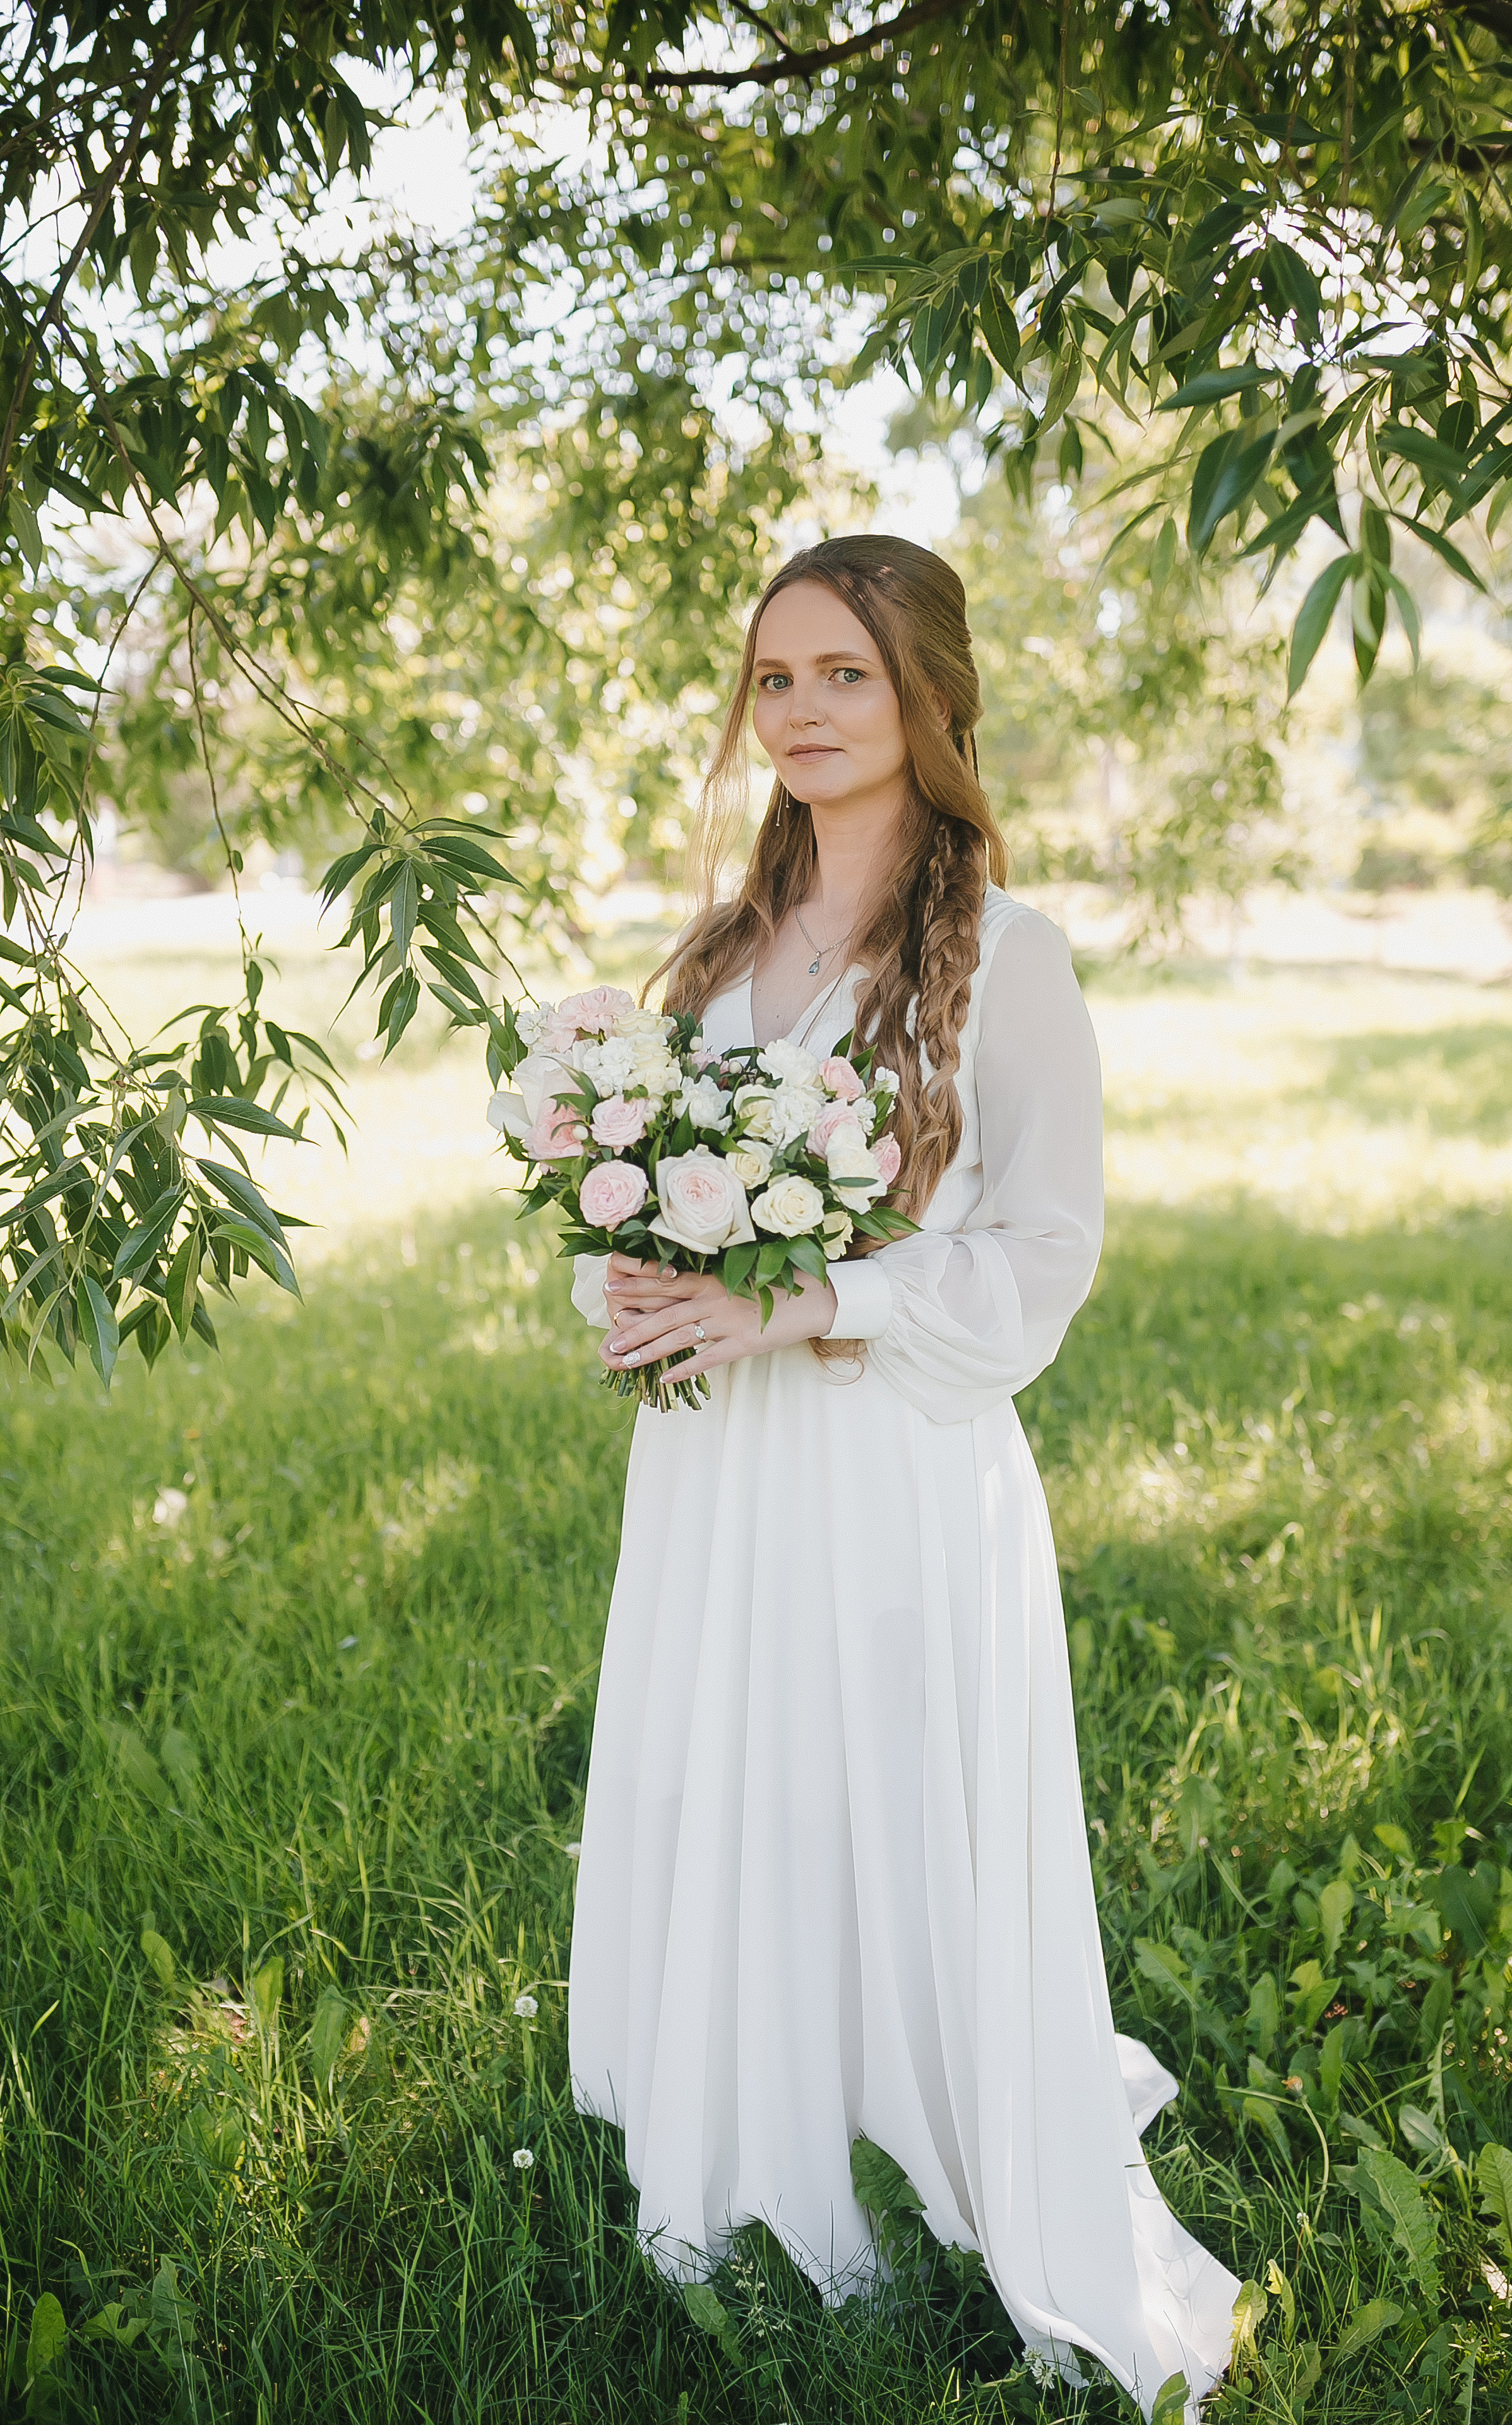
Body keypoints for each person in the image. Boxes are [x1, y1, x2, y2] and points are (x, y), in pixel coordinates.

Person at [566, 534, 1239, 2414]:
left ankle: (917, 2098)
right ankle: (748, 2095)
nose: (801, 710)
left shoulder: (1009, 961)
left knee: (879, 1782)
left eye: (844, 674)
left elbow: (1044, 1256)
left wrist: (802, 1305)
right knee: (744, 1772)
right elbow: (658, 1188)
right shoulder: (720, 951)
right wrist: (635, 1275)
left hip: (894, 1460)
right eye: (774, 678)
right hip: (721, 1470)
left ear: (929, 697)